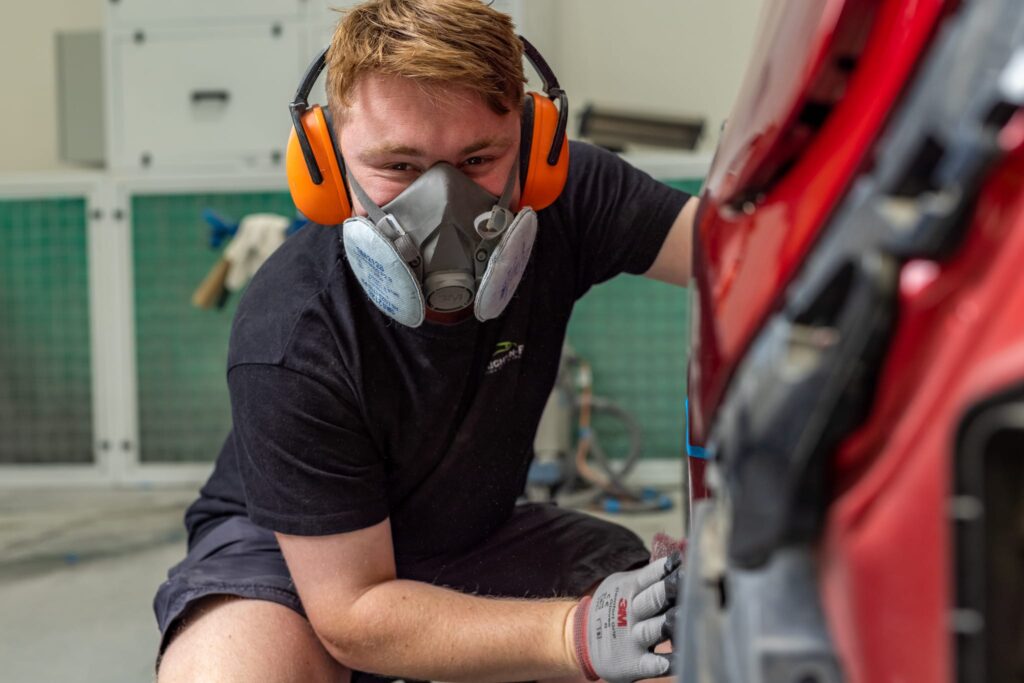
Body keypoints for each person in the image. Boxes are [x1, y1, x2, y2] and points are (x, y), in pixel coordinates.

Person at [153, 0, 699, 681]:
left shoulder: (566, 196)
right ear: (323, 168)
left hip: (472, 537)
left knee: (682, 643)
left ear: (535, 147)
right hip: (299, 558)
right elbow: (354, 610)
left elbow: (739, 256)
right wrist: (569, 632)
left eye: (477, 158)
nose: (443, 202)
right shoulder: (290, 332)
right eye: (399, 167)